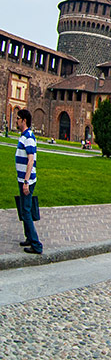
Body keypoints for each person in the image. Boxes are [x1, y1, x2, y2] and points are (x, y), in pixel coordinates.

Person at [15, 109, 42, 254]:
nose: (17, 120)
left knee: (26, 211)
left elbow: (30, 161)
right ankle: (29, 238)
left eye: (18, 118)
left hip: (27, 181)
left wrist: (26, 181)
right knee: (24, 209)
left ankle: (36, 245)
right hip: (23, 179)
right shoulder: (24, 136)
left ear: (24, 120)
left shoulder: (29, 137)